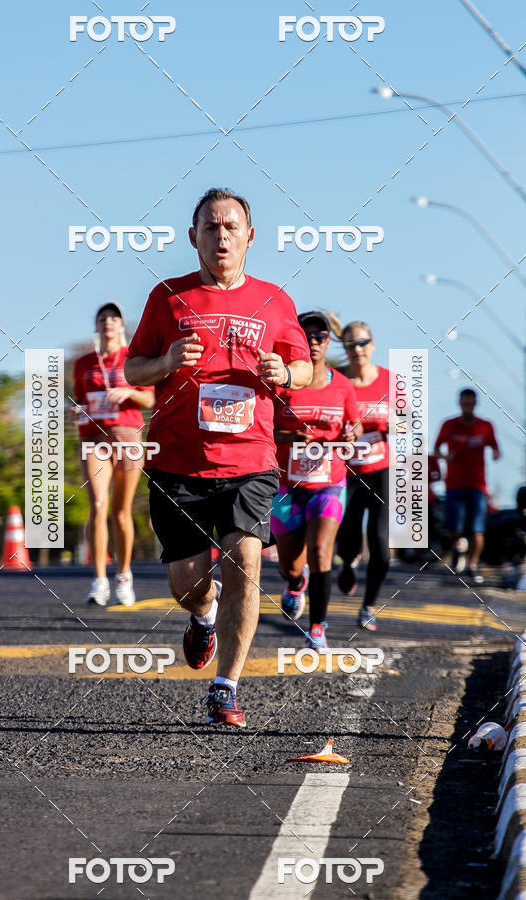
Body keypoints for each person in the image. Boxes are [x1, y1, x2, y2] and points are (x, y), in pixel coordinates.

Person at [124, 187, 312, 727]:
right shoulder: (167, 297)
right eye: (210, 226)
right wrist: (163, 360)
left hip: (250, 462)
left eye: (231, 226)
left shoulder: (275, 301)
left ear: (249, 237)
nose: (221, 235)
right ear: (193, 238)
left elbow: (305, 369)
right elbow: (132, 370)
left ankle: (225, 687)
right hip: (178, 464)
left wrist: (286, 373)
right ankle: (203, 615)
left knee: (245, 559)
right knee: (187, 581)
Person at [272, 311, 361, 649]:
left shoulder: (342, 385)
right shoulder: (282, 381)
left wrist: (351, 433)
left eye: (320, 336)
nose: (312, 342)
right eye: (306, 335)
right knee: (289, 565)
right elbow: (262, 428)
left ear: (328, 340)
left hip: (329, 483)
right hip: (285, 489)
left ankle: (318, 628)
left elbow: (356, 424)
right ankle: (296, 584)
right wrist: (288, 438)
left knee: (322, 551)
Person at [72, 302, 155, 606]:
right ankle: (99, 579)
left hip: (127, 435)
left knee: (121, 512)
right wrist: (76, 411)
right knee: (98, 503)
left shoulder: (133, 358)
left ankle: (123, 574)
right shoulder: (83, 363)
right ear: (96, 325)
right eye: (102, 318)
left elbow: (149, 398)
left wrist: (129, 392)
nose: (108, 322)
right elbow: (80, 400)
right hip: (93, 438)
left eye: (113, 318)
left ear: (122, 326)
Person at [336, 321, 390, 631]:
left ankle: (369, 605)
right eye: (350, 345)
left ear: (372, 344)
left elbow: (408, 423)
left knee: (381, 545)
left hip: (381, 471)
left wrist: (383, 426)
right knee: (348, 538)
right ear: (344, 348)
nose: (357, 349)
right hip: (346, 472)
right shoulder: (338, 379)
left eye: (362, 343)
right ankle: (346, 562)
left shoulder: (389, 380)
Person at [434, 387, 501, 584]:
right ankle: (459, 547)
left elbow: (496, 449)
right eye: (464, 403)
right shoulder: (449, 425)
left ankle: (472, 565)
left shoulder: (485, 426)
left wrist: (495, 455)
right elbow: (437, 449)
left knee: (477, 530)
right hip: (454, 485)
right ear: (459, 403)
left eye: (470, 403)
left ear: (475, 404)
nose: (467, 407)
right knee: (454, 528)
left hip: (478, 486)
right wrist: (447, 456)